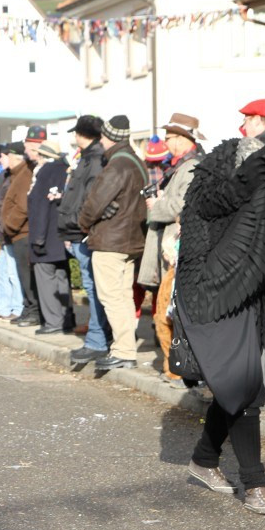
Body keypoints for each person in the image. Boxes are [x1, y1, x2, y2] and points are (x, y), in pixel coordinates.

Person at [179, 121, 265, 515]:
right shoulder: (215, 182)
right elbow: (220, 201)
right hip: (210, 296)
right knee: (243, 387)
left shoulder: (253, 189)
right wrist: (258, 170)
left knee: (241, 387)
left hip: (246, 294)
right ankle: (255, 484)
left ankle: (204, 459)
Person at [139, 114, 205, 387]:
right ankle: (176, 368)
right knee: (167, 311)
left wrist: (157, 207)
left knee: (170, 312)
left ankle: (179, 370)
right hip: (172, 247)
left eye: (169, 138)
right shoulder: (182, 165)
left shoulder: (189, 167)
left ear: (181, 139)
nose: (166, 143)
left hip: (176, 249)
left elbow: (181, 205)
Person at [78, 115, 147, 370]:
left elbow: (94, 204)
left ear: (107, 137)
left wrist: (84, 224)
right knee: (124, 296)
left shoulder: (116, 166)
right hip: (131, 239)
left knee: (112, 297)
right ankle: (126, 347)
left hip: (111, 241)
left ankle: (123, 350)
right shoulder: (136, 162)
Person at [58, 115, 109, 363]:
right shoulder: (88, 157)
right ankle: (98, 338)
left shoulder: (94, 159)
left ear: (81, 134)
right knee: (93, 287)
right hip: (77, 230)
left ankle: (98, 341)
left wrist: (77, 226)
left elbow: (88, 198)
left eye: (76, 133)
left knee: (94, 287)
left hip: (83, 232)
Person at [28, 141, 75, 335]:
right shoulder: (67, 170)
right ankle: (67, 319)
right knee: (62, 276)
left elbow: (40, 207)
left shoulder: (45, 172)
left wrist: (38, 238)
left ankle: (53, 322)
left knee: (46, 278)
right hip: (63, 234)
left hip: (46, 235)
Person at [0, 139, 40, 326]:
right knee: (22, 275)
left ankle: (34, 310)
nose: (2, 159)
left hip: (22, 232)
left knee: (26, 274)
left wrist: (9, 225)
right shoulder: (16, 173)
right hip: (17, 233)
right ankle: (28, 307)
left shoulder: (24, 173)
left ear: (13, 157)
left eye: (4, 156)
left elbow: (23, 205)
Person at [0, 146, 21, 320]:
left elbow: (11, 205)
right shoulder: (4, 175)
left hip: (10, 229)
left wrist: (1, 226)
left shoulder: (17, 176)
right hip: (1, 228)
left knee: (12, 271)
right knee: (2, 269)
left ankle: (17, 307)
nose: (1, 160)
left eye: (3, 156)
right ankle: (4, 307)